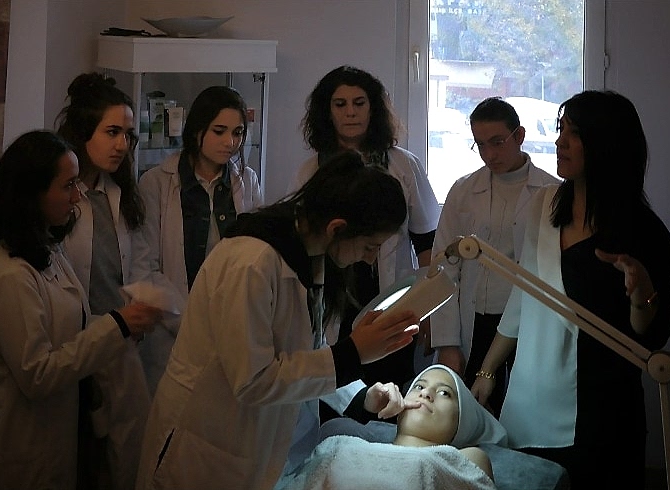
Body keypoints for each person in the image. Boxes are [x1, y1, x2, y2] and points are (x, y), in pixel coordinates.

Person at [135, 150, 424, 490]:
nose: (371, 259)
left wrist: (362, 396)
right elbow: (253, 379)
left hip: (261, 447)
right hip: (204, 444)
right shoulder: (250, 263)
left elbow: (307, 351)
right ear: (337, 227)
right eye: (369, 246)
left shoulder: (310, 257)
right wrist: (352, 355)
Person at [471, 90, 670, 487]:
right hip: (534, 396)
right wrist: (488, 369)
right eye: (561, 130)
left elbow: (649, 337)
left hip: (603, 408)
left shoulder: (644, 231)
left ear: (607, 143)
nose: (560, 142)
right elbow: (525, 293)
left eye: (575, 134)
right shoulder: (544, 205)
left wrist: (641, 294)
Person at [0, 130, 160, 489]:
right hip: (25, 447)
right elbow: (37, 375)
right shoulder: (10, 276)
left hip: (61, 432)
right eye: (68, 186)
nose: (78, 196)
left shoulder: (50, 250)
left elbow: (72, 327)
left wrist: (125, 325)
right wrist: (115, 326)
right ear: (32, 194)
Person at [292, 65, 440, 392]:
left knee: (391, 392)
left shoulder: (404, 165)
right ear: (327, 112)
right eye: (340, 104)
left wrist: (429, 307)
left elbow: (427, 240)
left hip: (392, 298)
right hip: (335, 299)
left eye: (359, 103)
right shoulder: (311, 171)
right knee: (338, 387)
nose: (351, 112)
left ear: (373, 109)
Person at [55, 72, 155, 490]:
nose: (122, 145)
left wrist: (142, 309)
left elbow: (137, 263)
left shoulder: (120, 192)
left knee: (126, 451)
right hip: (71, 342)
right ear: (83, 133)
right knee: (75, 452)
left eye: (128, 135)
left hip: (119, 338)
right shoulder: (61, 197)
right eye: (112, 132)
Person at [431, 97, 558, 415]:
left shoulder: (552, 192)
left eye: (498, 142)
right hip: (475, 320)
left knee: (522, 411)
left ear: (519, 135)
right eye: (481, 145)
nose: (489, 154)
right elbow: (443, 268)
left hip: (525, 322)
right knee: (470, 414)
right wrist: (447, 343)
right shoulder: (463, 190)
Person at [134, 85, 264, 394]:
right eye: (219, 131)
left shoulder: (246, 181)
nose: (230, 142)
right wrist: (188, 321)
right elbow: (144, 265)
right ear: (197, 130)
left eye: (237, 133)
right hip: (173, 328)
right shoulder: (156, 183)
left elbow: (259, 255)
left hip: (231, 324)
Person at [278, 364, 507, 489]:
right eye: (419, 386)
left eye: (444, 393)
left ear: (462, 423)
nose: (426, 393)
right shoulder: (339, 444)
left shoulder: (462, 459)